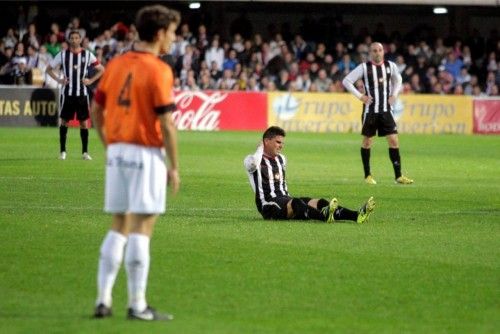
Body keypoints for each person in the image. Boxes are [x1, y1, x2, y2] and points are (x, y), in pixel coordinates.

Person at [90, 5, 181, 321]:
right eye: (171, 32)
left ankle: (103, 299)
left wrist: (109, 145)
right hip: (145, 153)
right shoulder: (159, 69)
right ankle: (137, 304)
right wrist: (174, 165)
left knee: (119, 224)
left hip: (117, 153)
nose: (174, 38)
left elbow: (96, 110)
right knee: (142, 226)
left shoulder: (115, 64)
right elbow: (167, 124)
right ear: (158, 34)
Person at [244, 126, 375, 223]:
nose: (281, 146)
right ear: (266, 141)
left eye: (282, 143)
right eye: (278, 142)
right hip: (269, 205)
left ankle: (356, 215)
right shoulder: (251, 159)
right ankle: (324, 216)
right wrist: (260, 148)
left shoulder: (281, 159)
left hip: (285, 199)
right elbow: (254, 164)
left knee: (319, 202)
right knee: (297, 203)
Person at [342, 42, 413, 185]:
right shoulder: (364, 67)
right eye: (374, 50)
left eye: (380, 50)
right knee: (367, 142)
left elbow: (398, 79)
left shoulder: (390, 66)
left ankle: (398, 176)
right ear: (370, 53)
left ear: (383, 52)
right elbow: (347, 81)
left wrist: (394, 95)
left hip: (386, 110)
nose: (377, 53)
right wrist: (361, 96)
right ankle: (367, 175)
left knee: (393, 140)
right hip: (370, 111)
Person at [46, 30, 104, 161]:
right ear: (68, 40)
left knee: (84, 123)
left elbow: (101, 69)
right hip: (67, 94)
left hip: (82, 94)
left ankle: (85, 152)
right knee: (64, 122)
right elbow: (48, 69)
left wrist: (91, 80)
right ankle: (62, 151)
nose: (74, 40)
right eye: (71, 38)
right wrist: (59, 80)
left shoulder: (88, 54)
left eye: (76, 38)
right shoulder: (62, 54)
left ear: (80, 39)